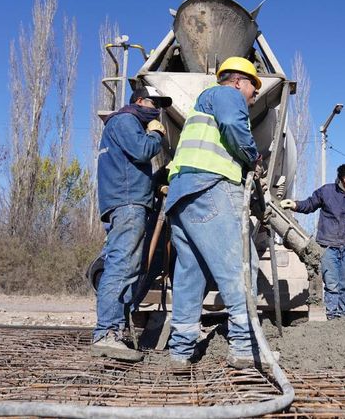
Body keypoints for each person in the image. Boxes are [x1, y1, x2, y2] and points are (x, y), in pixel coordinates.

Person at [164, 56, 263, 369]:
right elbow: (233, 124)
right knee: (241, 265)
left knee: (190, 274)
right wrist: (252, 157)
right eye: (253, 86)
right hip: (210, 187)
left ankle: (180, 352)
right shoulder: (226, 94)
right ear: (237, 81)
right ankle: (244, 348)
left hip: (182, 194)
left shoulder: (200, 106)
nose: (255, 94)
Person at [91, 86, 172, 361]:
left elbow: (131, 165)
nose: (157, 110)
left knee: (129, 267)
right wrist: (156, 134)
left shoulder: (123, 124)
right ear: (139, 101)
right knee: (122, 266)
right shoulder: (126, 120)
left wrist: (158, 180)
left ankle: (115, 330)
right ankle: (106, 333)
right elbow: (142, 150)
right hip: (127, 203)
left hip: (127, 200)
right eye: (153, 103)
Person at [279, 163, 345, 320]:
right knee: (331, 284)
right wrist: (294, 205)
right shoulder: (326, 191)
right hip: (328, 246)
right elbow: (310, 204)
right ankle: (332, 317)